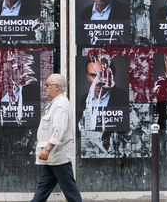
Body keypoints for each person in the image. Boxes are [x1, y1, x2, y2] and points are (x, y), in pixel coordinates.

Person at [31, 74, 82, 202]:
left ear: (57, 87)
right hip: (52, 157)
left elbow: (60, 130)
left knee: (70, 191)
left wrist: (47, 149)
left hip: (58, 156)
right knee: (43, 189)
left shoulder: (61, 105)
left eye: (48, 85)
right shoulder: (55, 103)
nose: (45, 88)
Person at [78, 57, 128, 151]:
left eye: (102, 76)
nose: (98, 81)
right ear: (87, 77)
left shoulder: (123, 98)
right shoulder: (82, 101)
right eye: (93, 75)